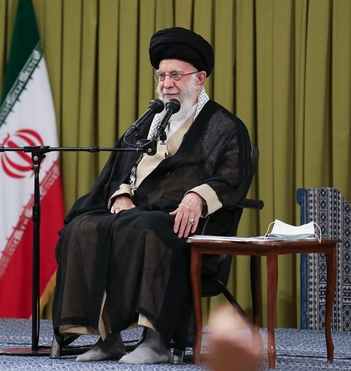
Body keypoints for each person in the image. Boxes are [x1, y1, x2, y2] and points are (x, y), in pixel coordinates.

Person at [52, 27, 255, 364]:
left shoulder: (222, 125)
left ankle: (156, 340)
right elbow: (118, 169)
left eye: (175, 75)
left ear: (199, 77)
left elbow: (233, 174)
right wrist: (120, 195)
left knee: (150, 229)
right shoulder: (149, 121)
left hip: (179, 218)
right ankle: (108, 339)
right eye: (162, 75)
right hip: (134, 211)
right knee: (83, 227)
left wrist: (197, 197)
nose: (166, 84)